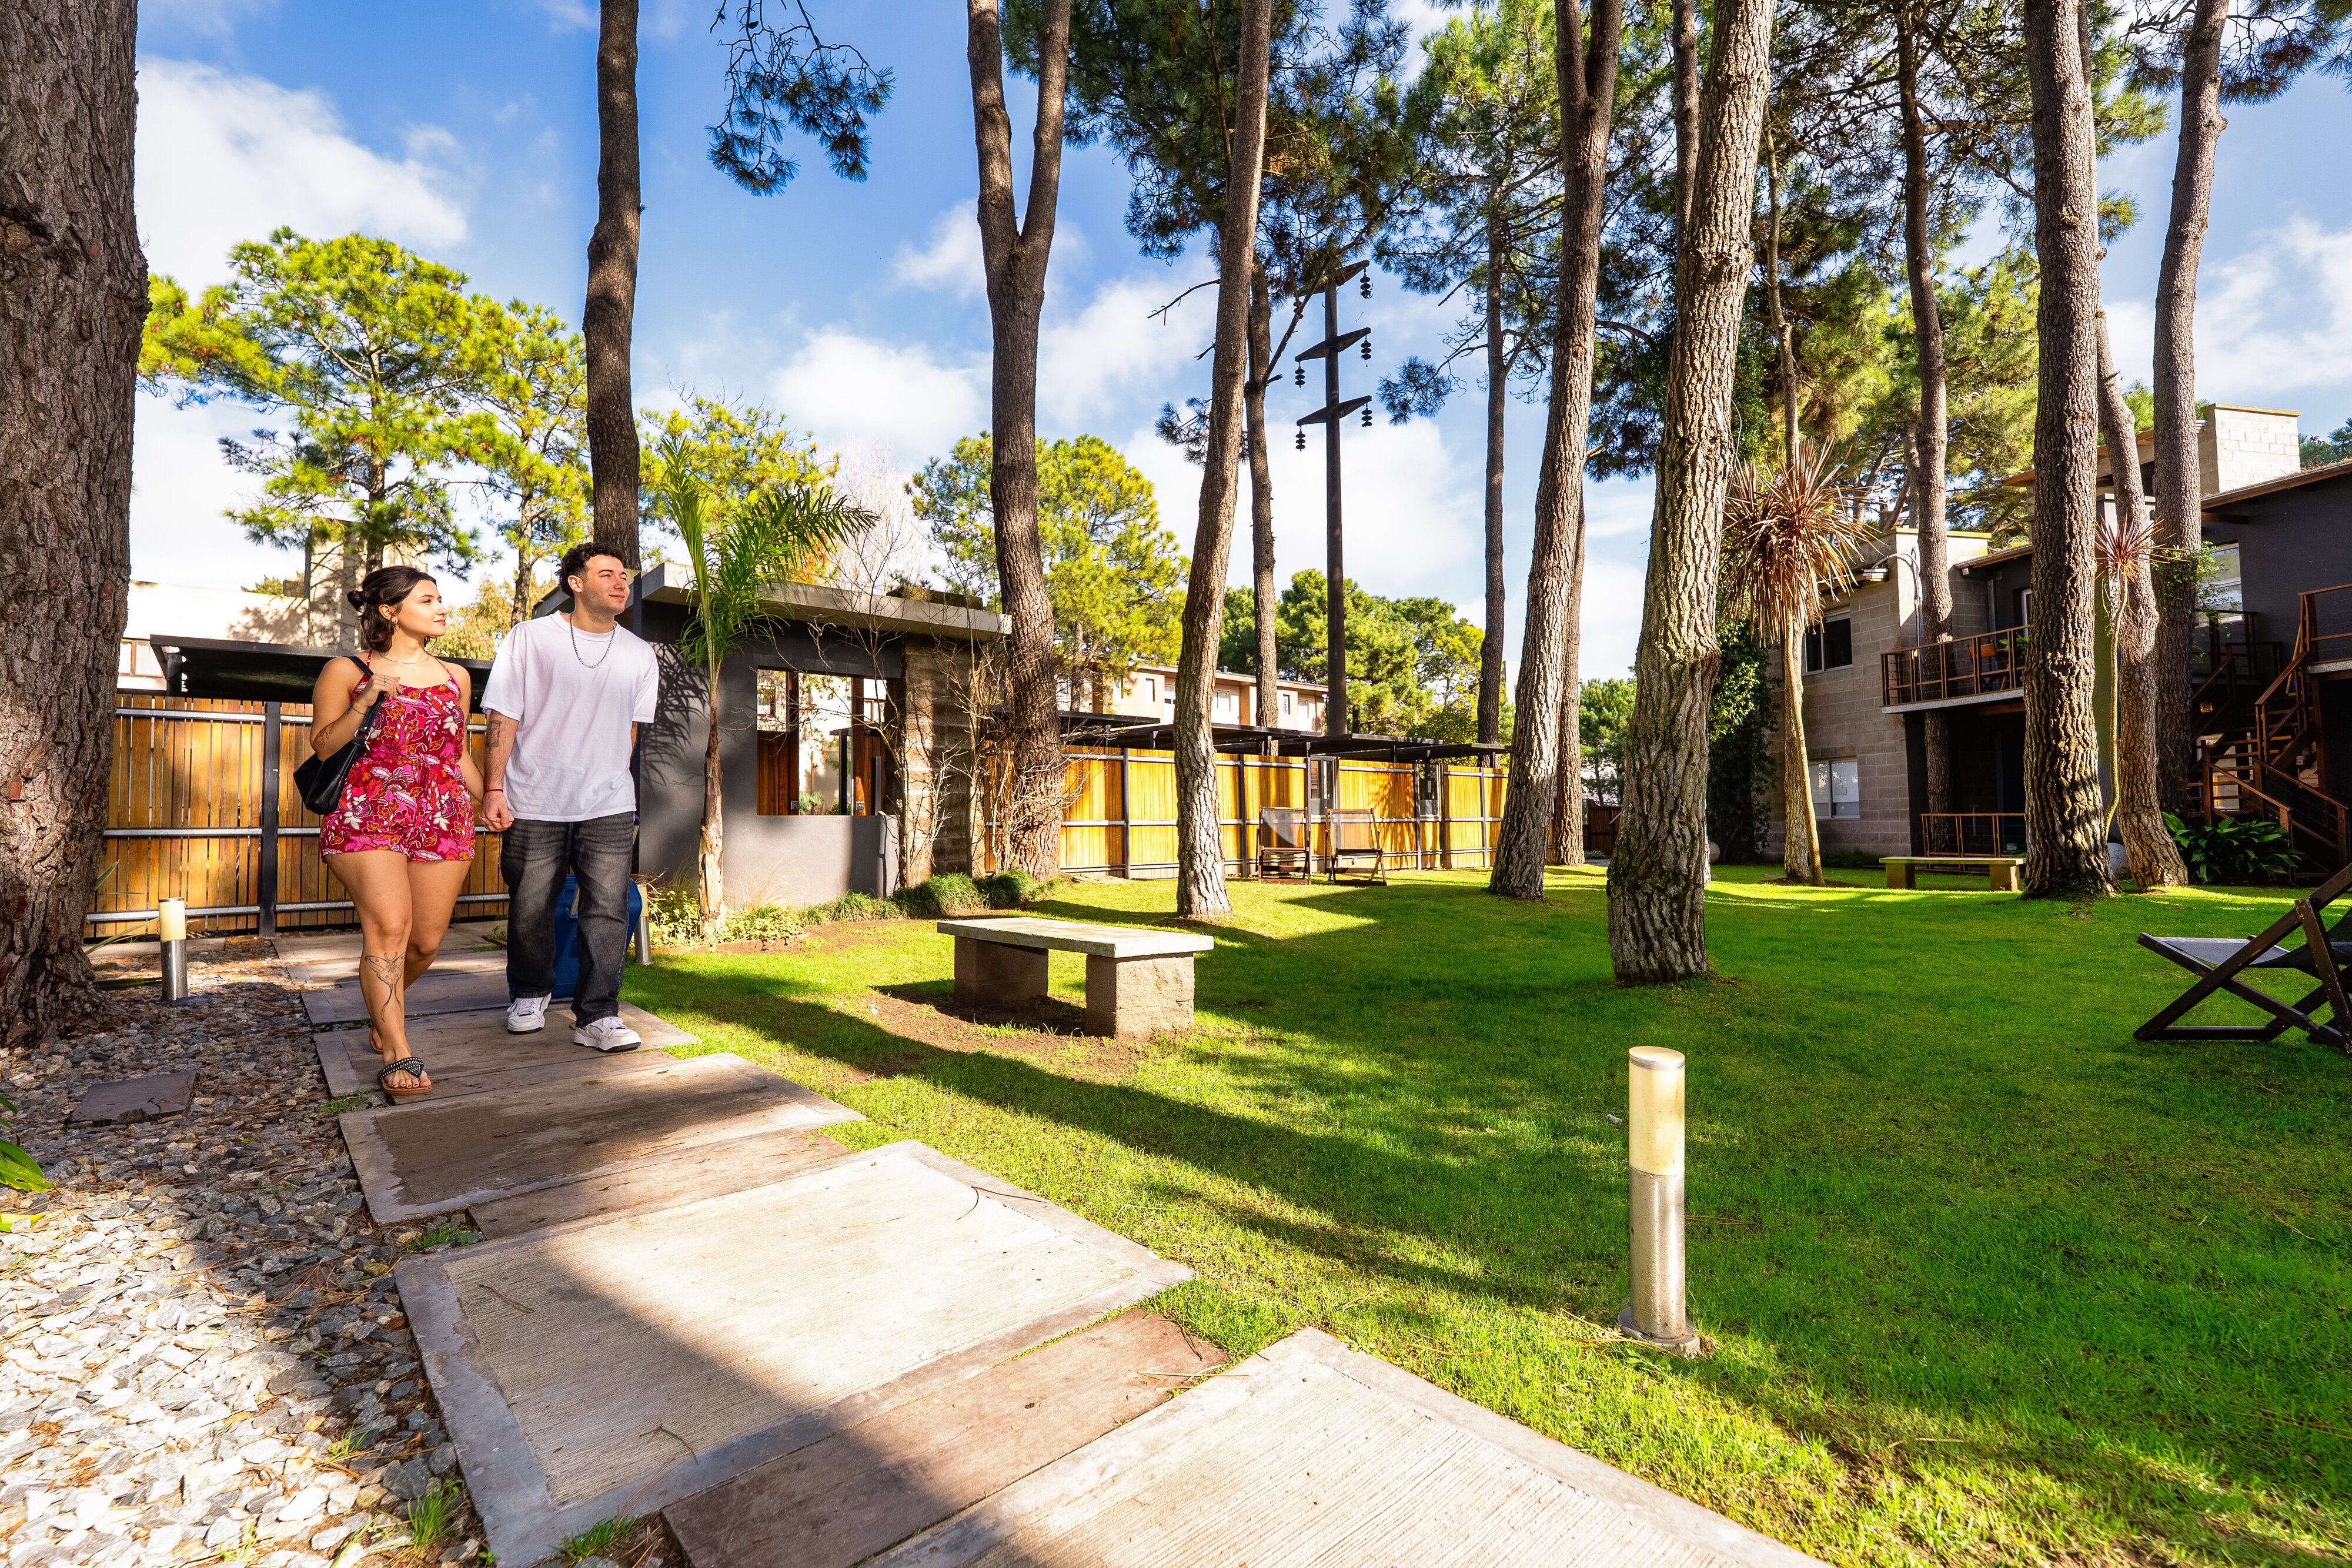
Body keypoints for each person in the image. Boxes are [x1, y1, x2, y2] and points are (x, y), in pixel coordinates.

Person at [312, 567, 487, 1101]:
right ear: (390, 610)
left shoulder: (454, 676)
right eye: (428, 599)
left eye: (441, 599)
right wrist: (366, 701)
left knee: (426, 941)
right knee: (389, 925)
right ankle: (396, 1049)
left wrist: (493, 798)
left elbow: (457, 752)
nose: (441, 608)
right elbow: (322, 746)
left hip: (442, 812)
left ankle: (381, 1016)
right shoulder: (347, 669)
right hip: (368, 810)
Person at [482, 541, 660, 1050]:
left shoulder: (640, 654)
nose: (621, 581)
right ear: (576, 583)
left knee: (608, 908)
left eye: (624, 574)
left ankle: (597, 1016)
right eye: (607, 573)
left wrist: (611, 780)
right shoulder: (531, 638)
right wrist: (493, 787)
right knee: (530, 905)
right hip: (534, 798)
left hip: (607, 803)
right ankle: (530, 992)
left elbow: (629, 731)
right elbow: (502, 716)